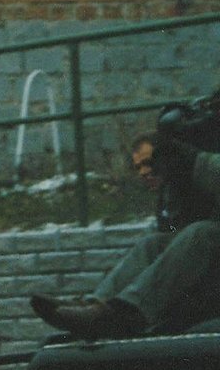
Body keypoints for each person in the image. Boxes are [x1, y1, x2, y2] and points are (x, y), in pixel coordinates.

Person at [31, 134, 220, 339]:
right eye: (139, 167)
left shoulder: (203, 167)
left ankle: (127, 314)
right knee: (153, 244)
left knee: (201, 233)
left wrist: (194, 161)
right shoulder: (175, 192)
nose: (146, 172)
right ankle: (98, 308)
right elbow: (175, 236)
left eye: (151, 163)